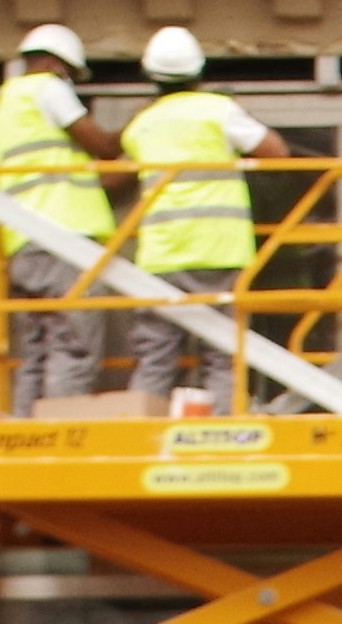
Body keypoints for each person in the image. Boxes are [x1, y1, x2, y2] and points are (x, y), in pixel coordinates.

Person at [114, 23, 283, 415]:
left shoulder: (142, 124)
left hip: (162, 255)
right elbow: (276, 151)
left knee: (155, 356)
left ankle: (143, 442)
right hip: (217, 248)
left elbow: (118, 173)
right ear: (199, 72)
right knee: (222, 355)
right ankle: (221, 436)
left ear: (150, 76)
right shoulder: (218, 111)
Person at [0, 24, 123, 414]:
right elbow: (104, 147)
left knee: (36, 351)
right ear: (60, 66)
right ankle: (61, 433)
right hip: (62, 236)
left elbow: (72, 172)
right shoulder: (48, 87)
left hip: (23, 244)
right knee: (72, 347)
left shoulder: (5, 108)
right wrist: (142, 124)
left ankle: (28, 433)